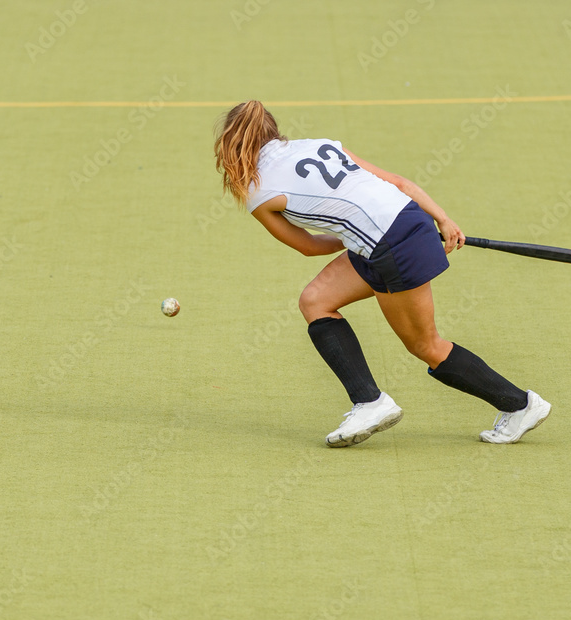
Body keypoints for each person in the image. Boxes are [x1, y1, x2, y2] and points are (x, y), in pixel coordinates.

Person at [213, 100, 551, 447]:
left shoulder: (257, 190)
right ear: (273, 131)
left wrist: (355, 232)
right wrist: (442, 218)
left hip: (389, 245)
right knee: (316, 300)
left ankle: (520, 405)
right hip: (405, 221)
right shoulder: (320, 146)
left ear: (231, 147)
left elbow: (309, 246)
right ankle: (368, 401)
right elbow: (399, 183)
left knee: (425, 344)